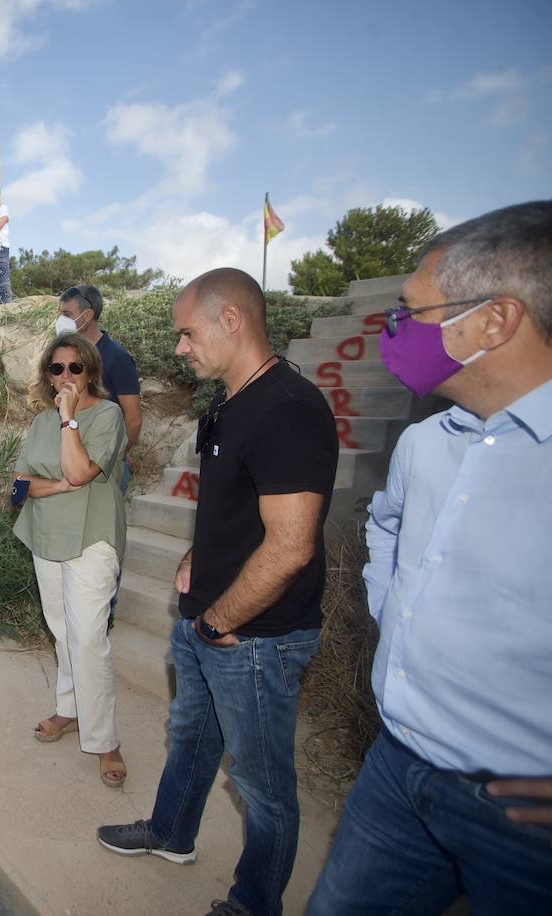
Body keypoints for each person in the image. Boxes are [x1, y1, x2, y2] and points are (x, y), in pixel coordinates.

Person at [307, 201, 552, 915]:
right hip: (398, 767)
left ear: (494, 320)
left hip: (525, 824)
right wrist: (396, 608)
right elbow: (385, 528)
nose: (395, 332)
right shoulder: (426, 441)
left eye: (412, 313)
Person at [97, 267, 338, 916]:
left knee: (262, 788)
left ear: (232, 320)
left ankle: (254, 904)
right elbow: (233, 509)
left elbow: (290, 545)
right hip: (207, 620)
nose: (179, 347)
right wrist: (197, 558)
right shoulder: (228, 402)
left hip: (252, 638)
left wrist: (217, 620)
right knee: (192, 739)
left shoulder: (287, 410)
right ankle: (171, 833)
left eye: (186, 332)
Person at [12, 332, 128, 787]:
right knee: (61, 630)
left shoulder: (107, 415)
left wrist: (68, 421)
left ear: (91, 372)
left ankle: (106, 739)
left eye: (74, 368)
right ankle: (69, 709)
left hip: (92, 538)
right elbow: (20, 486)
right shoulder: (40, 422)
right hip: (47, 534)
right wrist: (58, 486)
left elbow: (81, 471)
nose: (65, 377)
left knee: (87, 639)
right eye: (56, 369)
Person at [58, 283, 143, 486]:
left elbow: (134, 419)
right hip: (70, 456)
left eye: (67, 314)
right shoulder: (67, 356)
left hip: (102, 468)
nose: (61, 321)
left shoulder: (117, 357)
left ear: (87, 316)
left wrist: (114, 454)